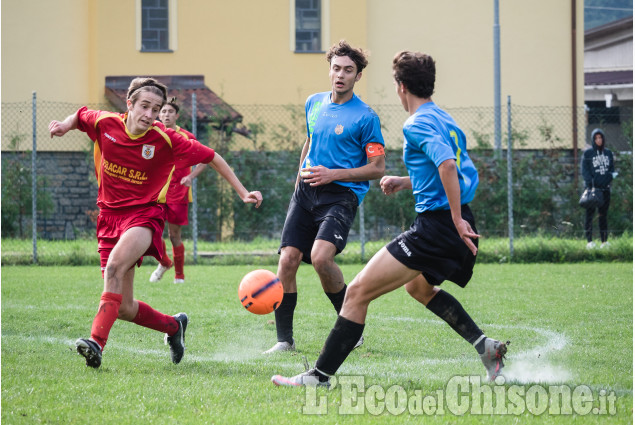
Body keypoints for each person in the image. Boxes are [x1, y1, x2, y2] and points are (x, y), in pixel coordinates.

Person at [271, 51, 508, 387]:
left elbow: (448, 167)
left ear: (401, 87)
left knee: (355, 293)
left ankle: (319, 377)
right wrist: (407, 182)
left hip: (438, 225)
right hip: (455, 223)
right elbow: (463, 173)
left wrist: (454, 218)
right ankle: (487, 347)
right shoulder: (445, 118)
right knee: (419, 288)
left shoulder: (416, 123)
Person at [48, 77, 262, 369]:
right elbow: (80, 115)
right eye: (145, 106)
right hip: (108, 219)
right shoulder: (106, 123)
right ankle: (174, 327)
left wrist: (243, 192)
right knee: (123, 307)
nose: (150, 115)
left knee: (113, 266)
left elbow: (213, 157)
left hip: (144, 217)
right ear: (129, 105)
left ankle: (96, 343)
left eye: (156, 108)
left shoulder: (167, 139)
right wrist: (63, 125)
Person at [264, 40, 386, 354]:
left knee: (320, 258)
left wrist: (333, 174)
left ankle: (352, 328)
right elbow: (309, 141)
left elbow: (377, 167)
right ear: (329, 70)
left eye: (348, 70)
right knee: (287, 260)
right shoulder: (313, 103)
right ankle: (284, 341)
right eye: (336, 68)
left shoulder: (366, 117)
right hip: (305, 193)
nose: (340, 75)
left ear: (358, 76)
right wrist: (298, 178)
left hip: (341, 196)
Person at [149, 98, 207, 284]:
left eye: (170, 112)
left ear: (177, 115)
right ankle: (165, 262)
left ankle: (179, 275)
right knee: (150, 231)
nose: (166, 115)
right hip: (155, 192)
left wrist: (191, 177)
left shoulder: (187, 136)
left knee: (174, 235)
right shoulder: (152, 133)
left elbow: (205, 159)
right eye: (163, 111)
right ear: (158, 114)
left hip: (178, 193)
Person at [581, 128, 615, 249]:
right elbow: (585, 172)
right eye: (596, 138)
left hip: (605, 190)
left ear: (603, 139)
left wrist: (606, 181)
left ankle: (604, 242)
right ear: (593, 139)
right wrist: (593, 184)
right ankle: (589, 242)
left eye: (600, 138)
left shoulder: (608, 153)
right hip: (592, 191)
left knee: (603, 215)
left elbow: (612, 170)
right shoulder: (588, 154)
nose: (598, 140)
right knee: (589, 215)